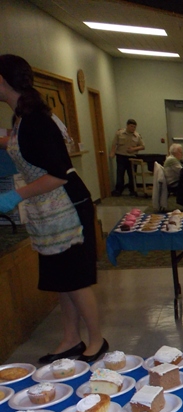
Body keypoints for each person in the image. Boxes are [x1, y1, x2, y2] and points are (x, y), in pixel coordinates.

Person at [0, 54, 107, 363]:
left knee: (75, 279)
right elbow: (23, 146)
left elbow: (58, 174)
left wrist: (15, 195)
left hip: (67, 207)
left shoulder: (36, 121)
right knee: (63, 280)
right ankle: (71, 338)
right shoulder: (22, 117)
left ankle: (96, 341)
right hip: (48, 210)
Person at [110, 117, 144, 196]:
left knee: (132, 175)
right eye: (131, 126)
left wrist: (133, 149)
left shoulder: (137, 136)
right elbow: (114, 144)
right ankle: (118, 190)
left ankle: (132, 190)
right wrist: (112, 153)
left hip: (132, 157)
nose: (133, 128)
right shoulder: (119, 133)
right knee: (120, 174)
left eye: (134, 127)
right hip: (121, 156)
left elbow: (142, 146)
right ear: (127, 126)